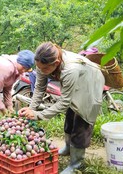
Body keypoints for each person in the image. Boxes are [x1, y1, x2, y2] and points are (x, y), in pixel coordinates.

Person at [18, 42, 105, 174]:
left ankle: (77, 162)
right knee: (70, 114)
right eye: (39, 67)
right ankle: (68, 148)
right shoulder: (43, 64)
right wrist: (32, 109)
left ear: (56, 62)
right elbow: (39, 88)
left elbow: (63, 102)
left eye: (45, 69)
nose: (41, 70)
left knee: (82, 118)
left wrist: (38, 115)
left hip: (90, 82)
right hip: (75, 81)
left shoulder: (70, 69)